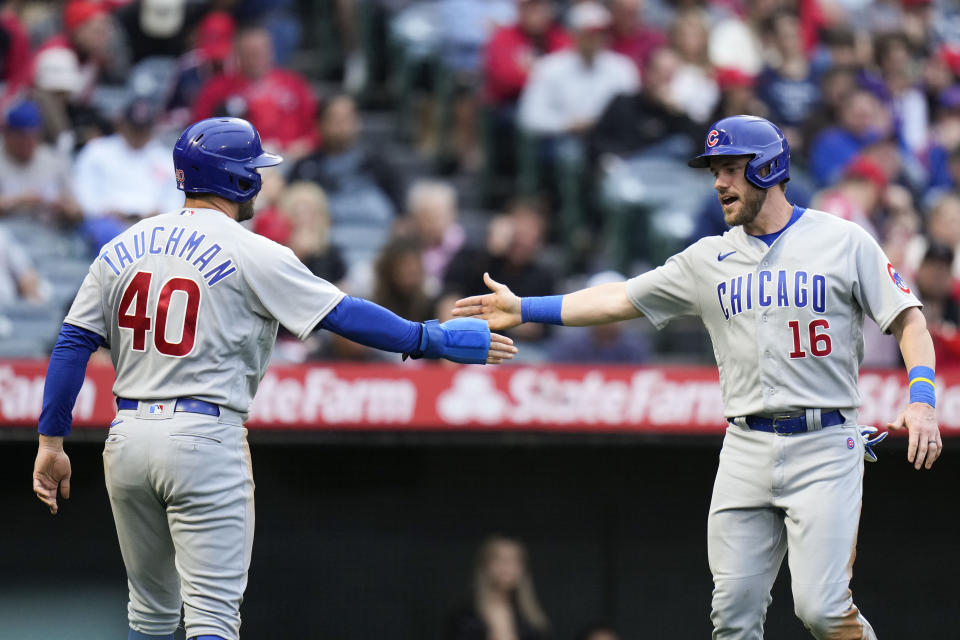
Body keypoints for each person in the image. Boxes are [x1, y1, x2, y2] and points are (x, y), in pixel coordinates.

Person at [454, 115, 942, 639]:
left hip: (824, 441)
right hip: (745, 447)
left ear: (769, 168)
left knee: (822, 611)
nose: (719, 183)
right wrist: (526, 307)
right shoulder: (707, 258)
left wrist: (921, 399)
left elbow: (909, 320)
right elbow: (619, 298)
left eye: (731, 169)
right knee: (731, 618)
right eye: (715, 170)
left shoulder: (843, 240)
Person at [31, 117, 517, 640]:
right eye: (254, 170)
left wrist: (51, 440)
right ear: (238, 181)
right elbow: (343, 313)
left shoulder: (122, 246)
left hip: (125, 438)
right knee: (212, 618)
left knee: (148, 614)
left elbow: (73, 342)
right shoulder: (251, 249)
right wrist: (431, 338)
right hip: (203, 435)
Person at [447, 535, 550, 640]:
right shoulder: (466, 617)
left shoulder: (531, 619)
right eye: (499, 559)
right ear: (485, 565)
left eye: (514, 560)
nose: (507, 566)